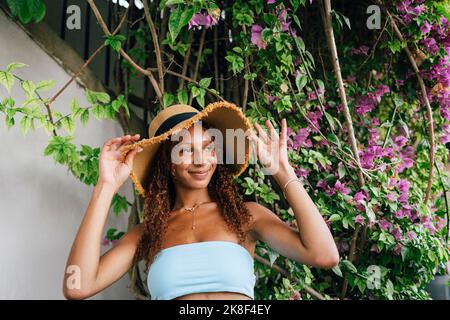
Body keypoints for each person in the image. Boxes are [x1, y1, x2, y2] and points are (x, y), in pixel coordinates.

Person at [62, 101, 339, 300]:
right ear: (167, 163)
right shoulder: (149, 232)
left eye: (208, 148)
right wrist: (106, 186)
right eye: (185, 150)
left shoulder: (246, 216)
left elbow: (324, 255)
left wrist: (283, 173)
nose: (200, 160)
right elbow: (78, 286)